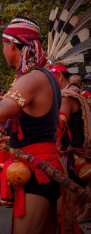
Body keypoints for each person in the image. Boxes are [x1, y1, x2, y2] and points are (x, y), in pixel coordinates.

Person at [0, 16, 64, 233]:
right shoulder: (41, 76)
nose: (3, 51)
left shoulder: (32, 78)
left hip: (39, 171)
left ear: (12, 45)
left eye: (3, 46)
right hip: (42, 166)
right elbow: (35, 128)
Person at [49, 65, 91, 222]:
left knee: (61, 212)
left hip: (75, 157)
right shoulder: (75, 94)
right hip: (79, 154)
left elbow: (59, 125)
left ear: (59, 76)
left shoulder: (66, 96)